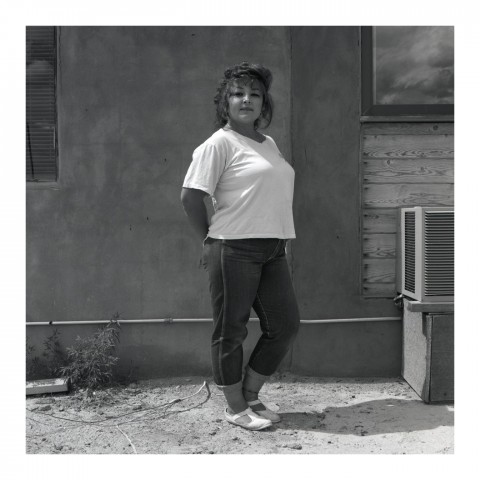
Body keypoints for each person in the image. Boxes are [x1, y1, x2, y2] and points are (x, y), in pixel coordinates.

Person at [181, 62, 300, 431]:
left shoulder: (268, 143)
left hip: (272, 248)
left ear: (264, 103)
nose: (246, 99)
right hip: (233, 247)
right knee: (230, 330)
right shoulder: (219, 144)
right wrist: (208, 239)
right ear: (225, 102)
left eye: (254, 93)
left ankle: (251, 394)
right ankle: (234, 407)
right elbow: (190, 196)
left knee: (285, 325)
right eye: (237, 93)